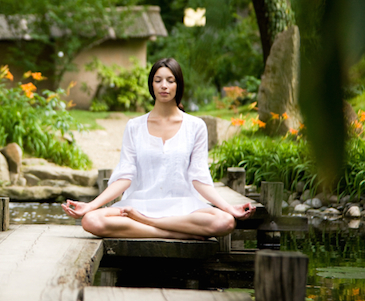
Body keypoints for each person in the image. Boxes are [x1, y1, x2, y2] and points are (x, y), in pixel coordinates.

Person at [62, 58, 255, 239]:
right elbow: (125, 176)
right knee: (91, 220)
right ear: (151, 85)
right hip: (139, 204)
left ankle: (149, 224)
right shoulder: (134, 126)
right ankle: (172, 233)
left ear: (178, 85)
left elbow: (199, 177)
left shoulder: (195, 126)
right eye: (158, 80)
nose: (164, 86)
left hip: (182, 206)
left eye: (170, 81)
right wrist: (91, 205)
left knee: (225, 221)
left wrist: (229, 208)